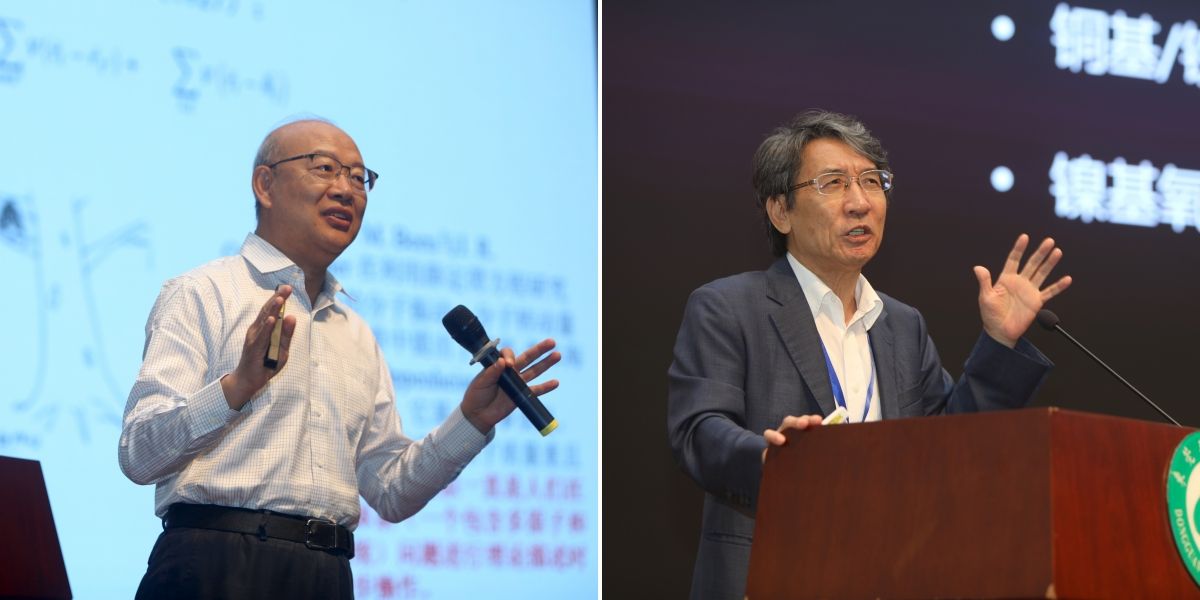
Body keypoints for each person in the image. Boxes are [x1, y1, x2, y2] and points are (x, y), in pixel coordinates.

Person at [118, 118, 561, 600]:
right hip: (213, 566)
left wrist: (472, 421)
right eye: (325, 168)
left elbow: (391, 492)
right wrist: (236, 387)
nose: (347, 190)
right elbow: (140, 454)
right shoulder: (201, 293)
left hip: (325, 575)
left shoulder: (355, 333)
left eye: (358, 178)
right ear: (265, 184)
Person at [666, 110, 1071, 600]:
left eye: (872, 182)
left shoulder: (901, 325)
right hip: (773, 575)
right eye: (833, 183)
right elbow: (699, 430)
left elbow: (952, 450)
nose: (859, 202)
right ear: (780, 212)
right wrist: (772, 461)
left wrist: (1000, 343)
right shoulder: (729, 307)